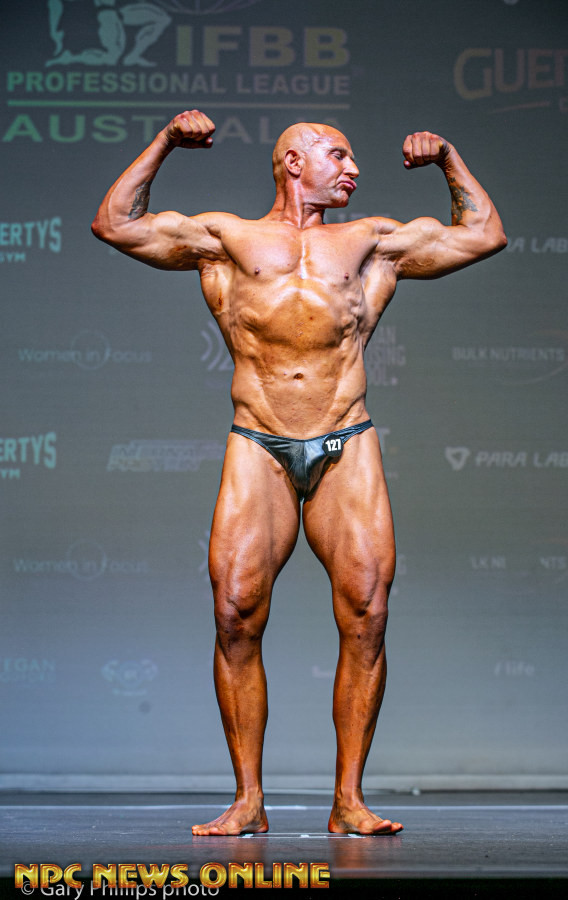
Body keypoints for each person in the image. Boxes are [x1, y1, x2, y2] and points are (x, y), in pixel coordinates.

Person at [92, 110, 506, 835]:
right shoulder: (225, 238)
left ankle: (349, 800)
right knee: (234, 612)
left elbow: (483, 234)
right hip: (259, 442)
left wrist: (447, 158)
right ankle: (248, 800)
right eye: (338, 155)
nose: (353, 169)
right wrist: (165, 143)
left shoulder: (370, 242)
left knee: (368, 613)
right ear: (293, 162)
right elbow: (115, 223)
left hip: (347, 438)